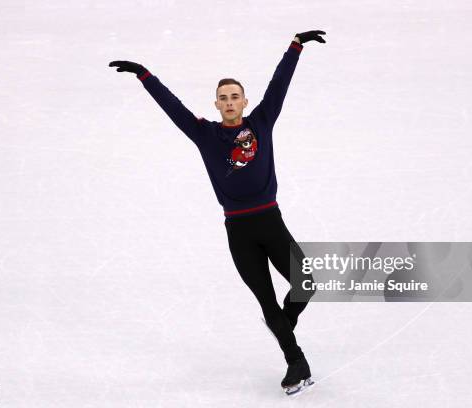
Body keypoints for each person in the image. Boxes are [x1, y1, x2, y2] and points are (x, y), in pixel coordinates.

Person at [109, 30, 326, 394]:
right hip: (238, 230)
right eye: (223, 98)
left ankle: (281, 326)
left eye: (235, 97)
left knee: (307, 283)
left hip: (270, 222)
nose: (229, 102)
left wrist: (295, 47)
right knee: (265, 298)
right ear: (216, 104)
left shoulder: (261, 122)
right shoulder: (204, 134)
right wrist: (144, 74)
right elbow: (172, 106)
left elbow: (278, 86)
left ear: (244, 101)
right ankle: (295, 362)